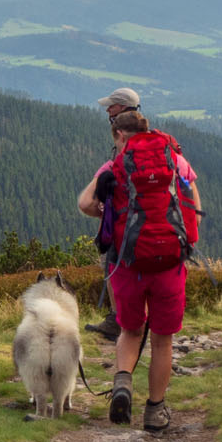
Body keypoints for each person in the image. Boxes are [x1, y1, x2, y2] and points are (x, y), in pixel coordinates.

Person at [77, 106, 200, 431]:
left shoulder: (113, 166)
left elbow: (85, 203)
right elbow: (192, 198)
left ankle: (122, 384)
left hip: (129, 264)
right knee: (162, 339)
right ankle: (155, 412)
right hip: (170, 265)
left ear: (119, 134)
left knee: (131, 331)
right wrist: (188, 234)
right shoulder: (173, 157)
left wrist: (110, 211)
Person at [83, 88, 141, 340]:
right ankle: (134, 321)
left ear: (124, 108)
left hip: (123, 222)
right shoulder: (153, 141)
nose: (108, 110)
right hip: (149, 220)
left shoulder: (125, 141)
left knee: (113, 269)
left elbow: (85, 204)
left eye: (112, 106)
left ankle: (118, 321)